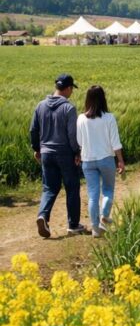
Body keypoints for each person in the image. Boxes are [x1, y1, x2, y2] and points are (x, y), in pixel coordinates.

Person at [30, 73, 86, 237]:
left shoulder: (40, 106)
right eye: (72, 89)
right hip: (65, 153)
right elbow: (72, 134)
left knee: (49, 188)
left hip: (46, 153)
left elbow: (33, 130)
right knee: (72, 187)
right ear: (68, 88)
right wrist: (77, 151)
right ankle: (73, 225)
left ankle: (43, 215)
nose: (72, 93)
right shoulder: (69, 108)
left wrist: (37, 149)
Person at [76, 85, 125, 237]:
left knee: (92, 195)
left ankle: (95, 229)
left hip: (88, 161)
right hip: (106, 159)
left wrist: (79, 155)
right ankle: (104, 215)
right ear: (103, 99)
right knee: (108, 190)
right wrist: (121, 161)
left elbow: (79, 141)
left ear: (87, 99)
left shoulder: (81, 118)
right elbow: (115, 142)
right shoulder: (109, 118)